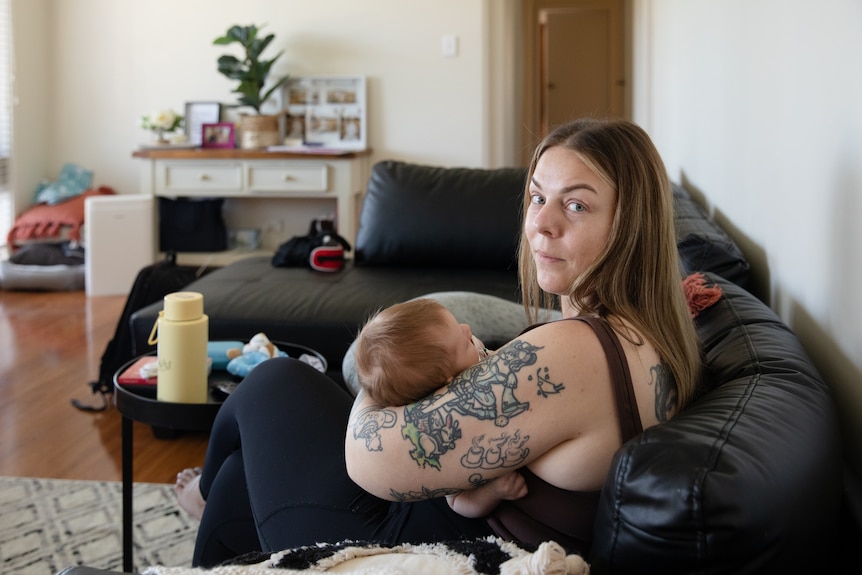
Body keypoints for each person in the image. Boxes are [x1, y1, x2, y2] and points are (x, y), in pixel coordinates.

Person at [174, 117, 702, 567]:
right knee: (240, 478)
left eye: (577, 206)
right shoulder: (650, 329)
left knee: (276, 379)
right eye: (538, 196)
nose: (540, 223)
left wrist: (387, 370)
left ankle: (200, 495)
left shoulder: (574, 355)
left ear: (632, 225)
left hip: (409, 539)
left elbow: (369, 461)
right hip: (445, 514)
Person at [354, 297, 527, 518]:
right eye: (464, 344)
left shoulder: (468, 355)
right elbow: (458, 502)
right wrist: (494, 491)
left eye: (459, 325)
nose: (468, 330)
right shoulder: (444, 430)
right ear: (449, 382)